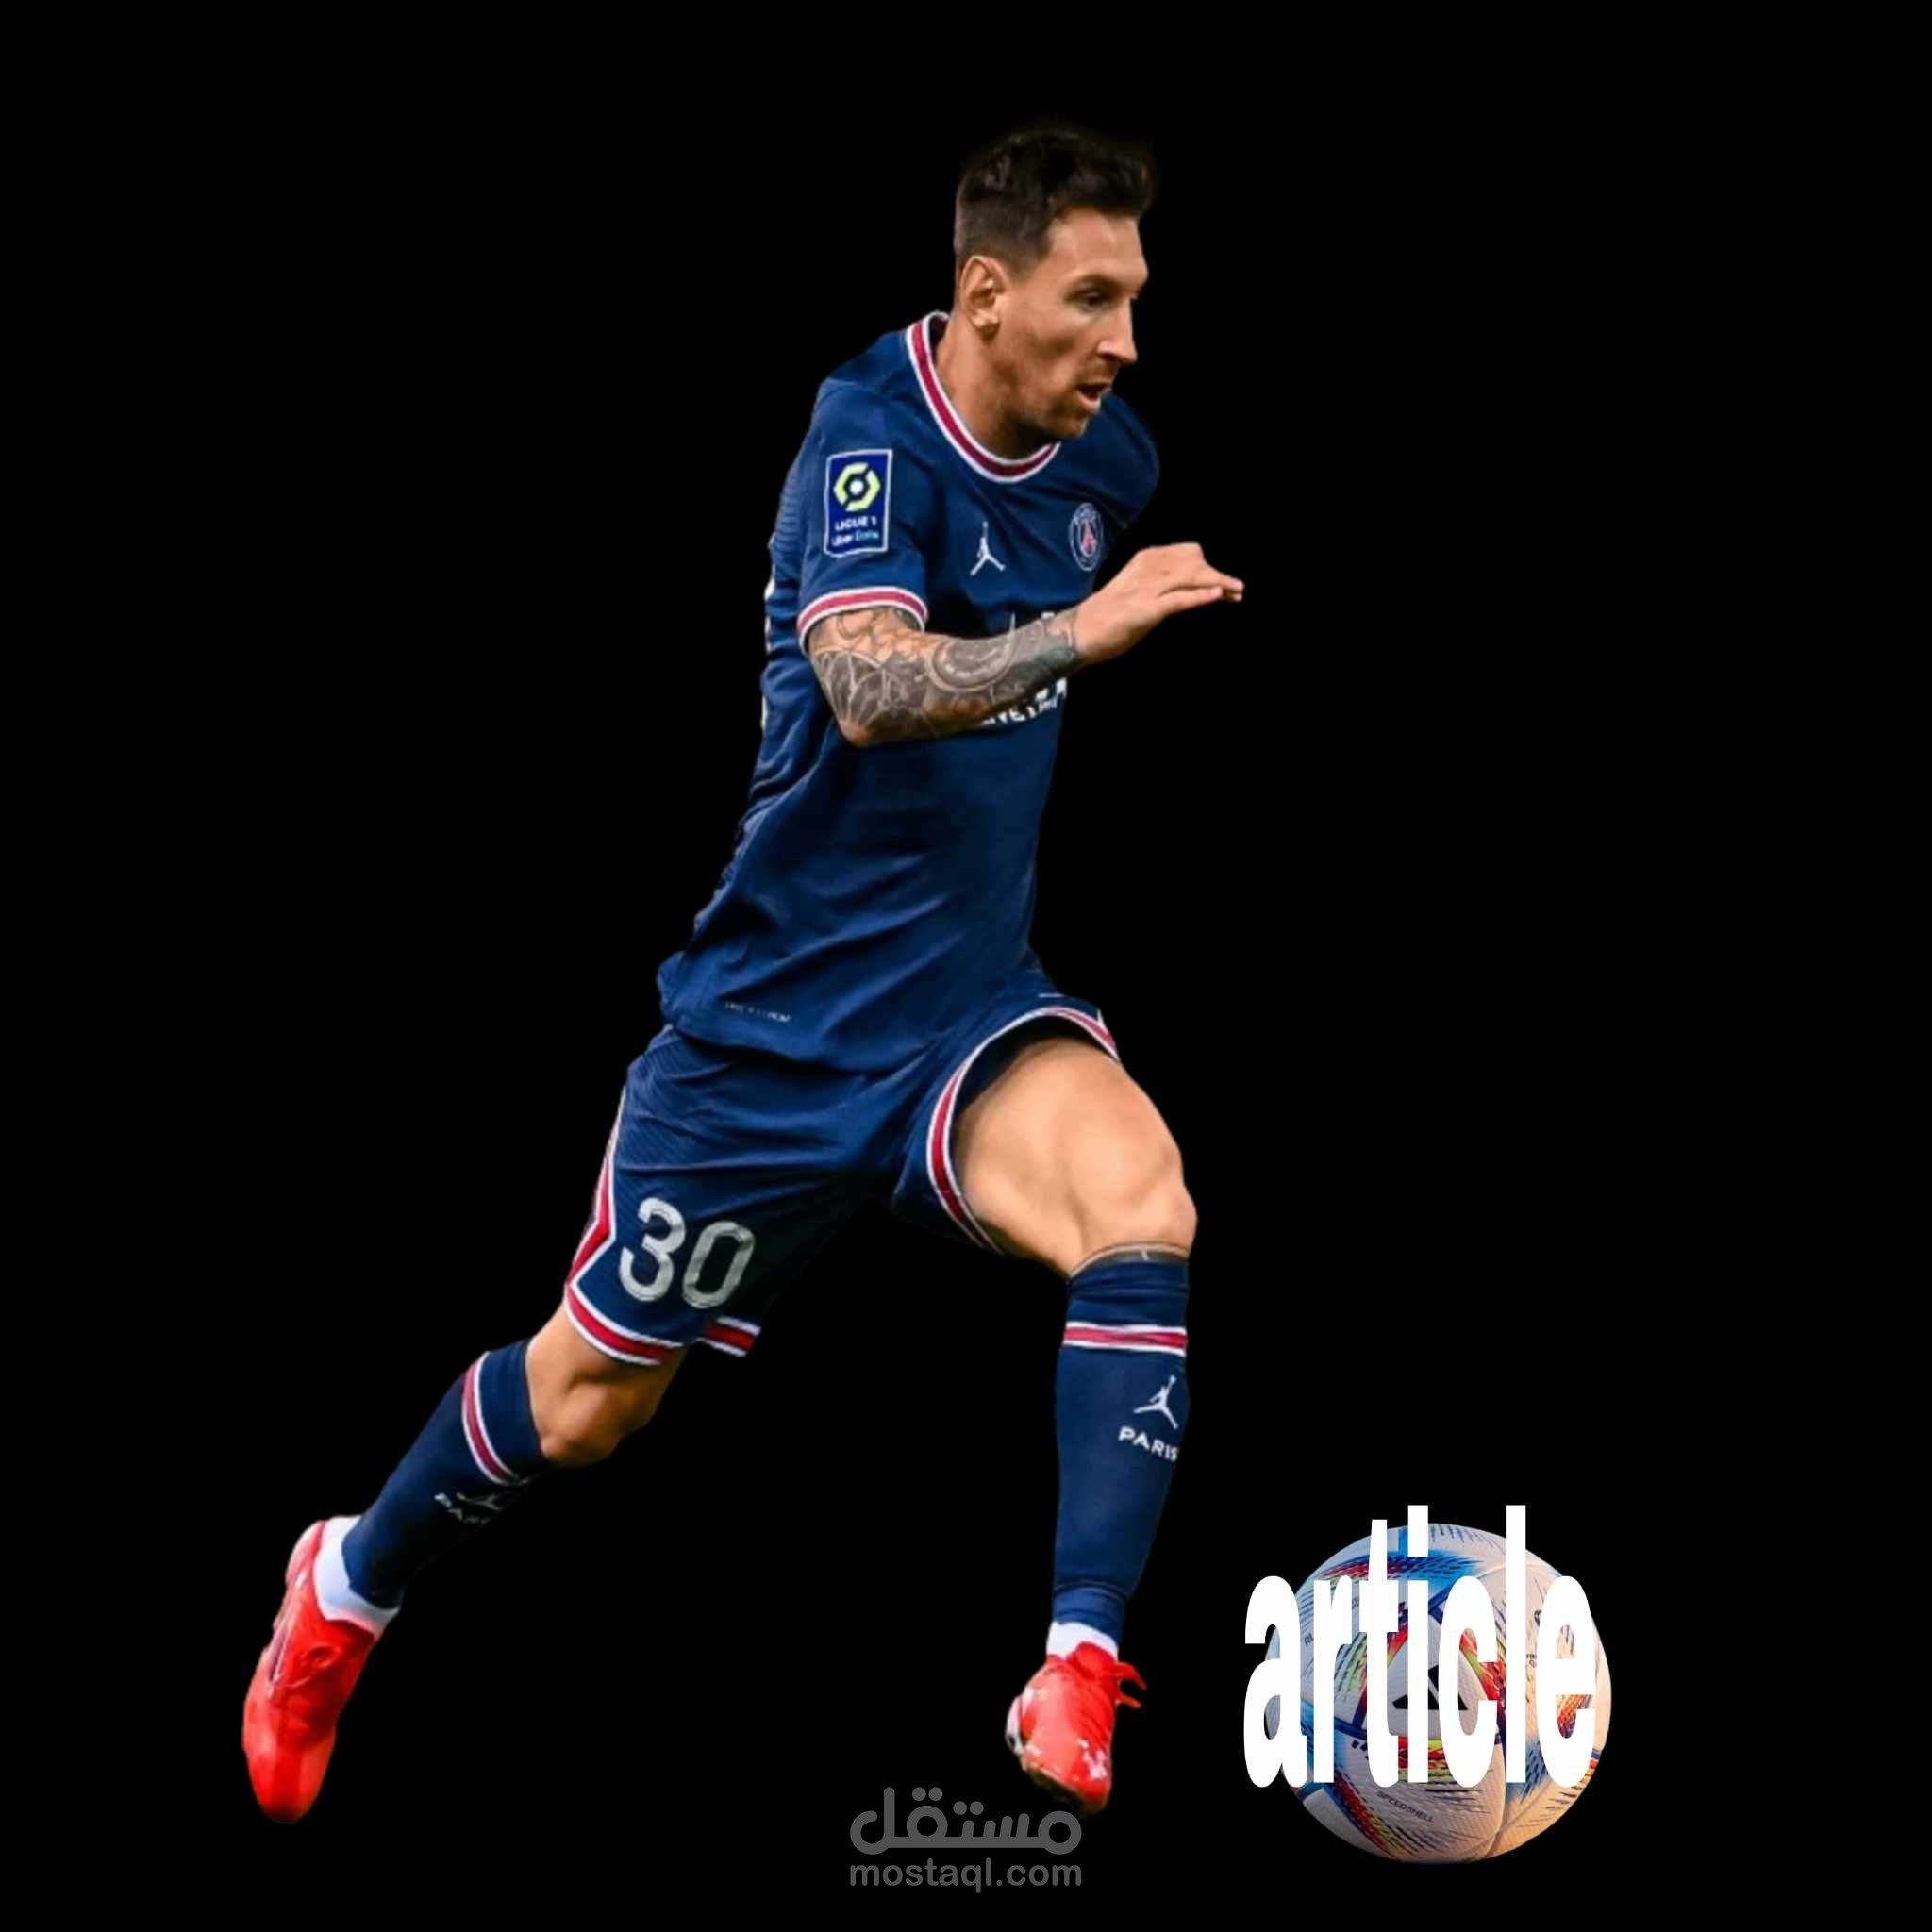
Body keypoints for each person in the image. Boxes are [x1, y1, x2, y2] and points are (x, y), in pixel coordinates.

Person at [243, 118, 1243, 1825]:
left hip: (964, 1017)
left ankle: (1076, 1664)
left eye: (1137, 298)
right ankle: (346, 1586)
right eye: (1092, 299)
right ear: (984, 292)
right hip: (770, 1042)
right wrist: (1081, 636)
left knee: (1144, 1199)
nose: (1127, 340)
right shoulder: (869, 436)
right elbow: (865, 685)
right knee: (586, 1410)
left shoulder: (1108, 462)